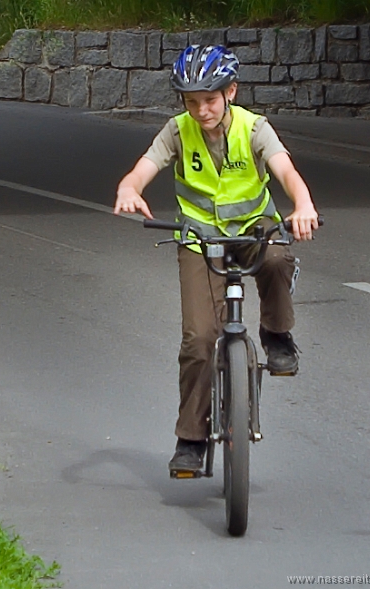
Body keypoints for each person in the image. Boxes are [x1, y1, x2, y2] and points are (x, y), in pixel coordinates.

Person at [113, 45, 319, 473]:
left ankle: (277, 335)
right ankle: (190, 440)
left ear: (231, 92)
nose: (201, 110)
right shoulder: (177, 131)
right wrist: (129, 188)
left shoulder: (254, 128)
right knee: (199, 341)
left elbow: (286, 172)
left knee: (279, 259)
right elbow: (145, 166)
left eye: (209, 99)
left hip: (252, 230)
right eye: (191, 102)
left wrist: (302, 205)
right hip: (200, 240)